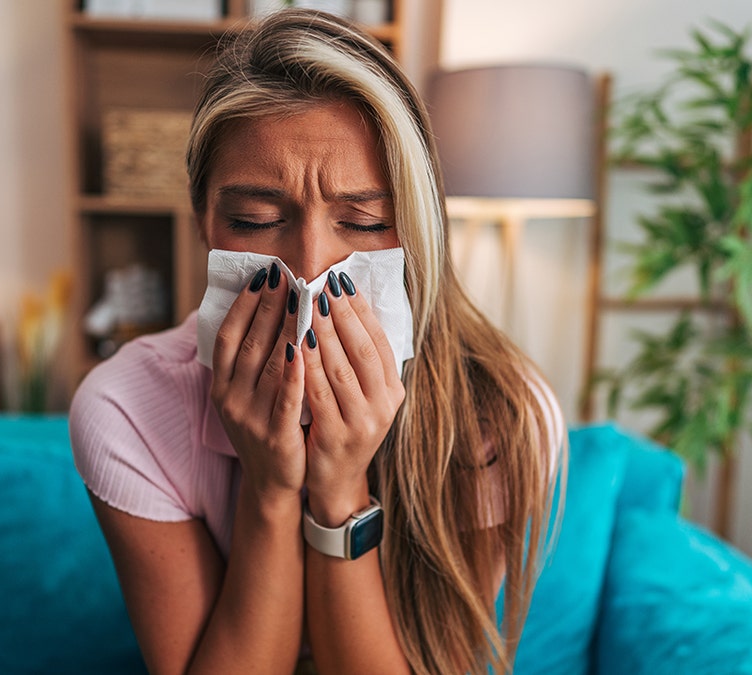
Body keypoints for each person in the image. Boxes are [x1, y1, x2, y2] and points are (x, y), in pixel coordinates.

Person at [70, 8, 565, 674]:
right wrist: (271, 489)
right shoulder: (126, 407)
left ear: (414, 232)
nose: (308, 266)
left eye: (362, 223)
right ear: (204, 224)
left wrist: (338, 489)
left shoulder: (501, 413)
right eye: (257, 219)